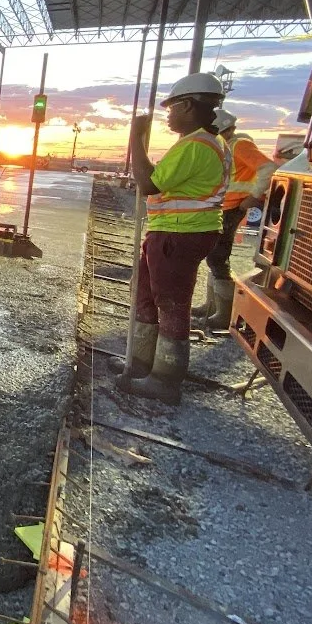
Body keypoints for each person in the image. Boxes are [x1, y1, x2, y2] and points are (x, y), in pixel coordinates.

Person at [117, 73, 231, 405]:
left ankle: (165, 380)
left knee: (170, 305)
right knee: (147, 295)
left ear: (188, 106)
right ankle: (140, 362)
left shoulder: (198, 145)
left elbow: (149, 183)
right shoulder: (202, 143)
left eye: (171, 107)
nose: (167, 114)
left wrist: (135, 138)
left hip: (181, 233)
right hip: (172, 231)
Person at [194, 109, 278, 330]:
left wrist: (253, 196)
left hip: (233, 207)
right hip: (226, 207)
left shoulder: (240, 145)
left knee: (218, 258)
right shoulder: (229, 147)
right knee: (214, 257)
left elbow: (268, 168)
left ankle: (224, 314)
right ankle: (212, 307)